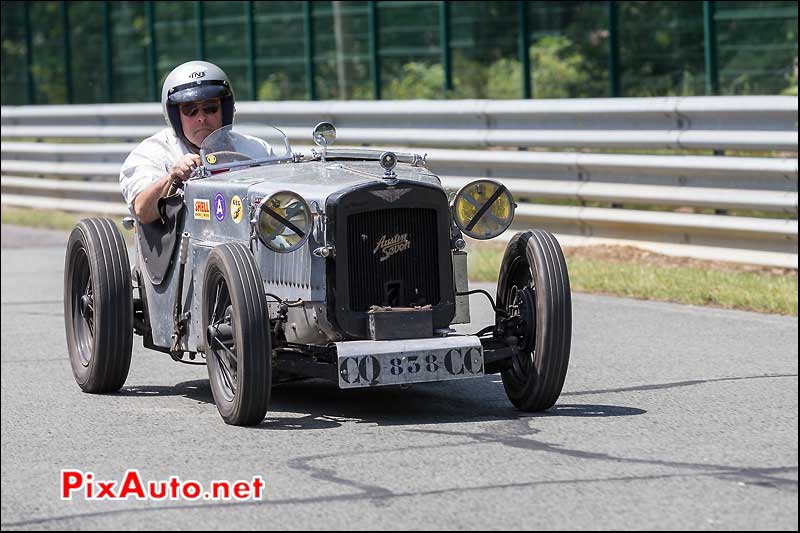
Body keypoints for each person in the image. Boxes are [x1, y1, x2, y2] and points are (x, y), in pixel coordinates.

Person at [119, 60, 236, 224]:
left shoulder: (255, 149)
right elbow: (142, 211)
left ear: (225, 109)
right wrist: (172, 177)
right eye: (190, 110)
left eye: (210, 107)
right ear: (175, 116)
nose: (201, 118)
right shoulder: (152, 153)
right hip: (182, 246)